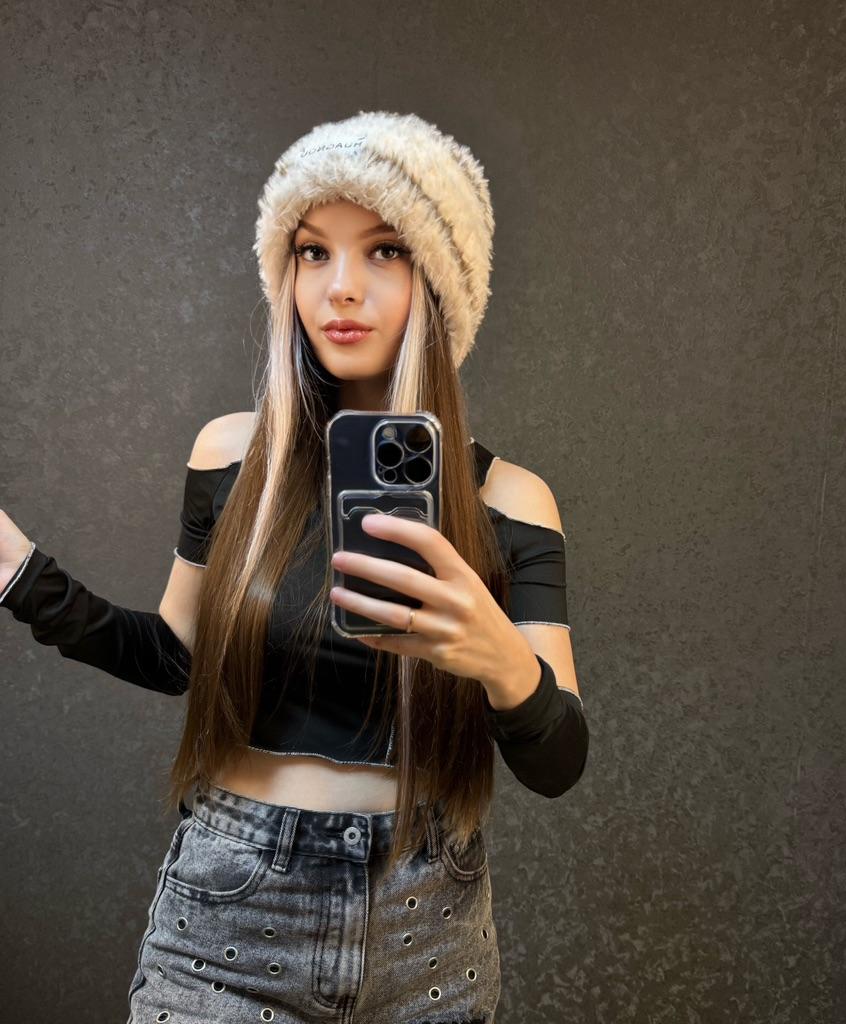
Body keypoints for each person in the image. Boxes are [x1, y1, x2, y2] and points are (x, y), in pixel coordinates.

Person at [0, 110, 589, 1024]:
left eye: (384, 250)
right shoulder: (234, 458)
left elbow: (559, 762)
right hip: (232, 915)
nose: (339, 287)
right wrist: (17, 570)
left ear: (441, 281)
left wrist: (502, 661)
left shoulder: (510, 501)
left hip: (427, 930)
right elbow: (173, 656)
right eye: (314, 252)